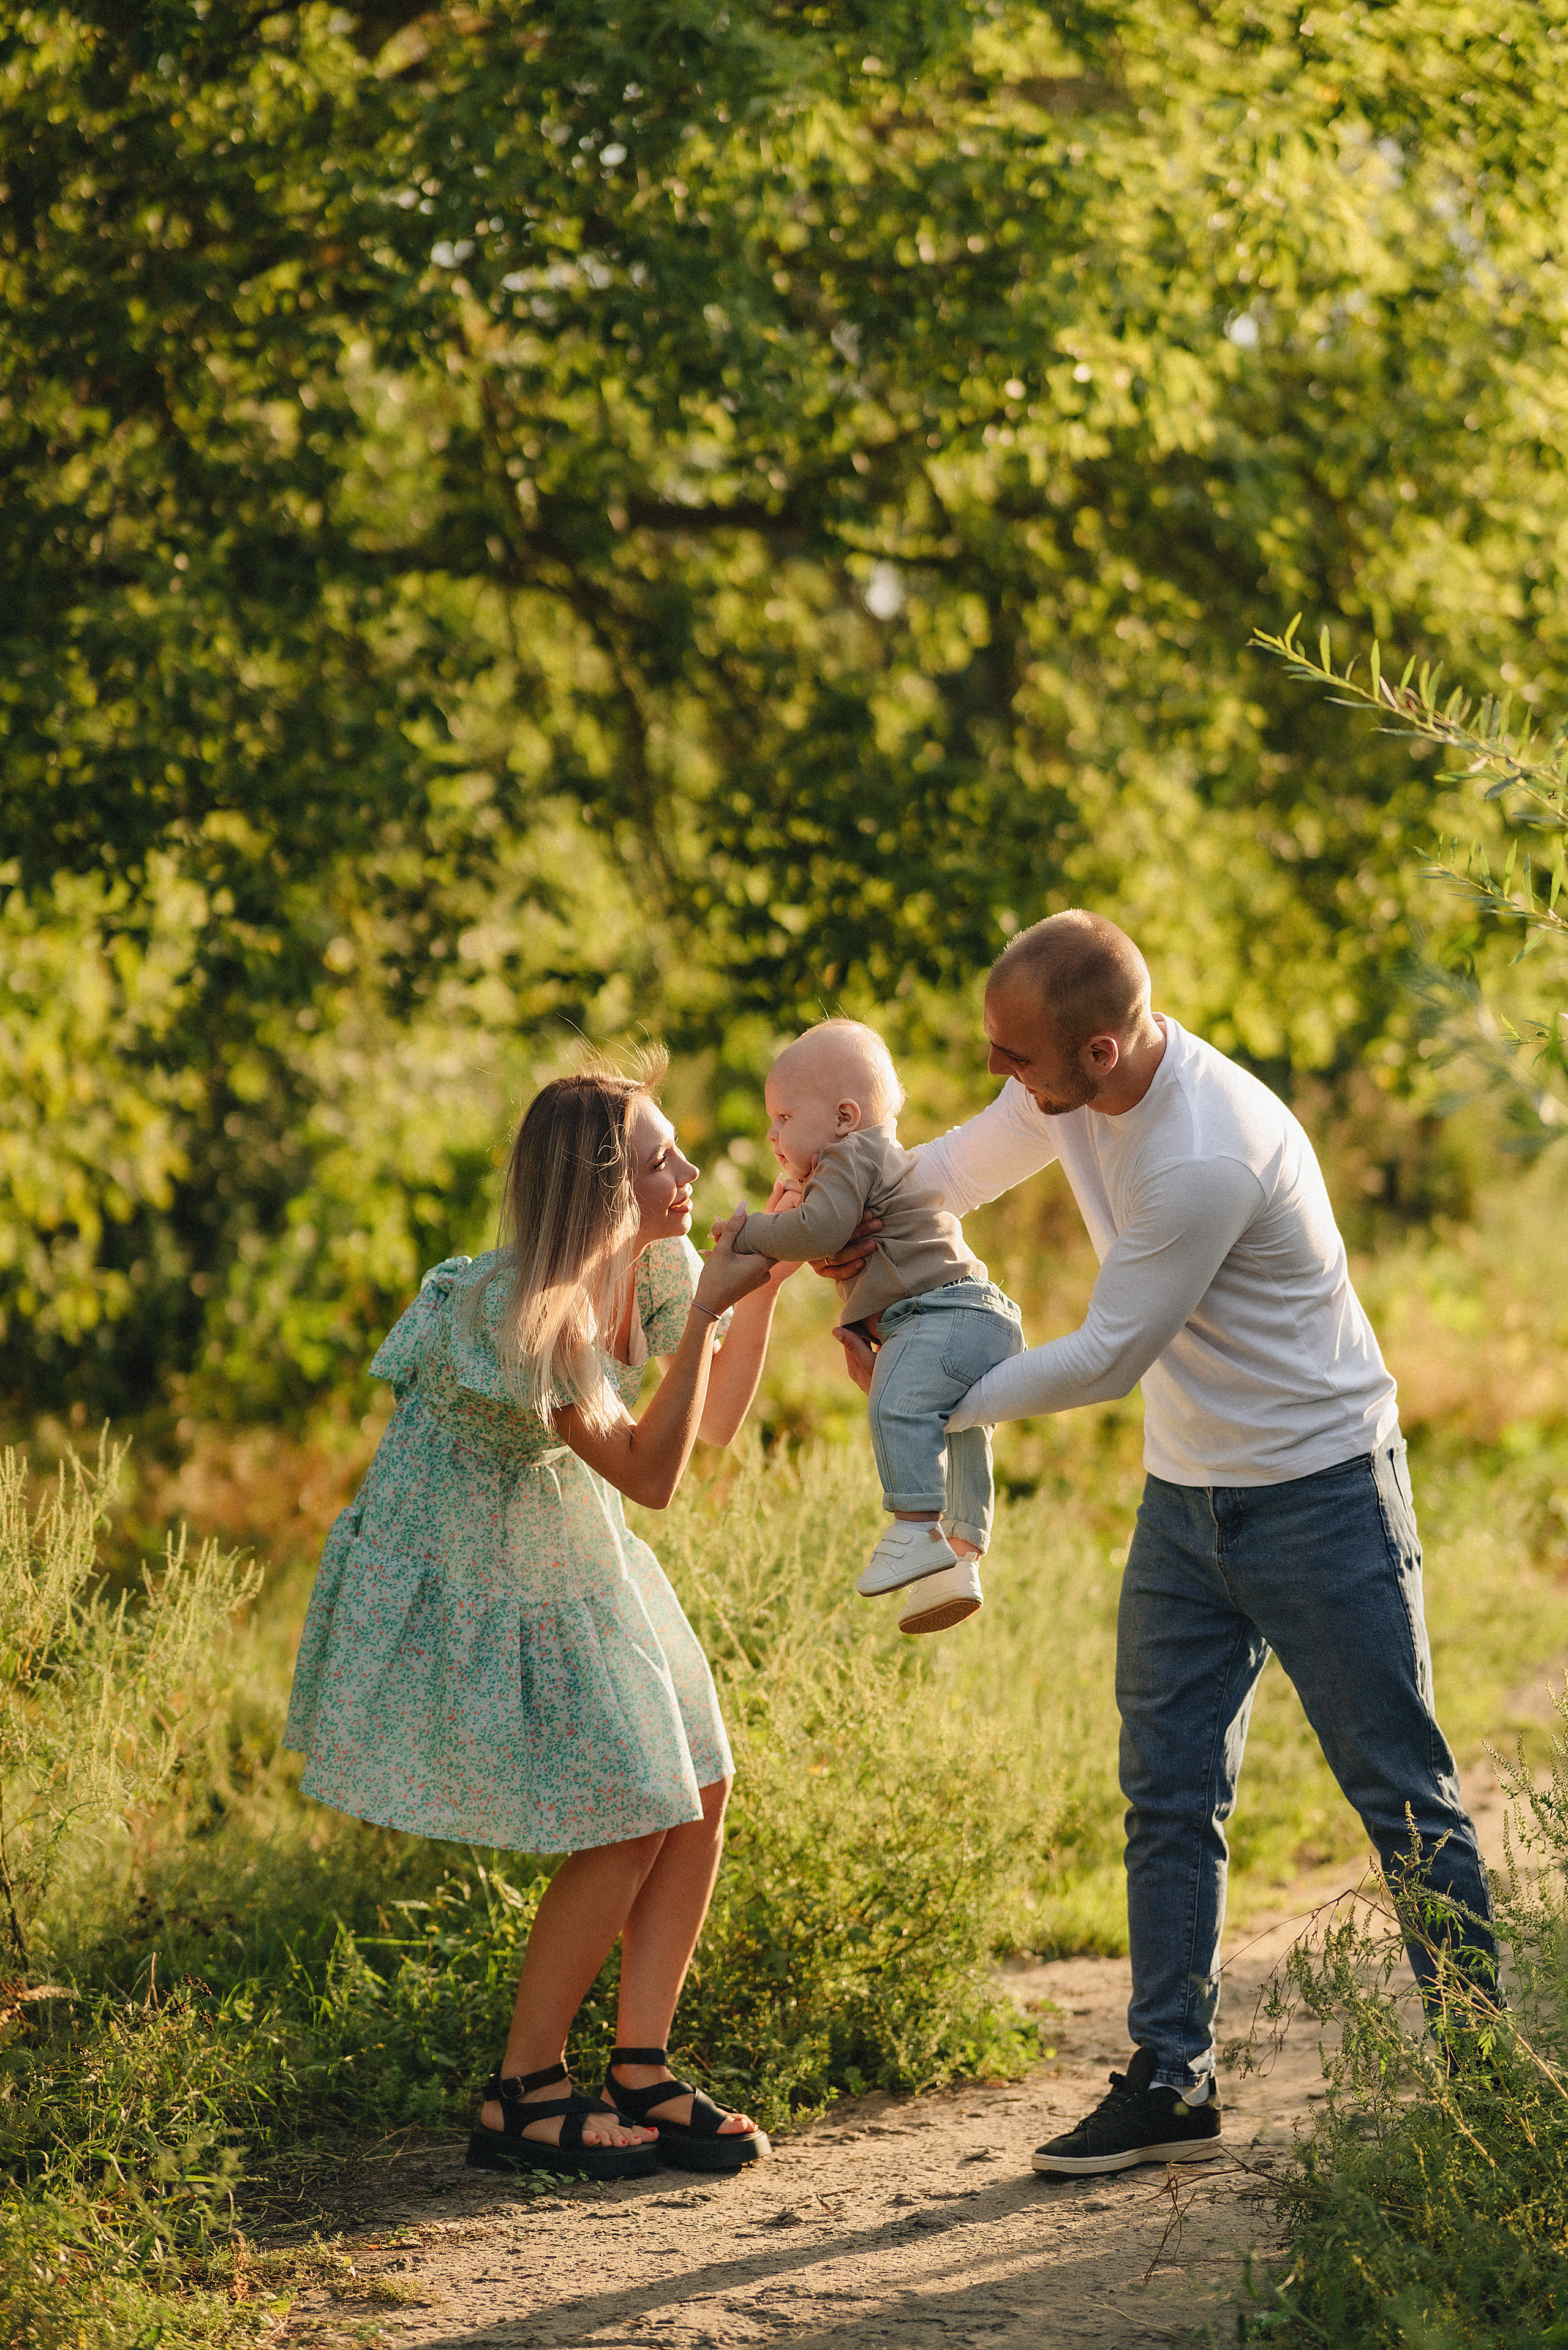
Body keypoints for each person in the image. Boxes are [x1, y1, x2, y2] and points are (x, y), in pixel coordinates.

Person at [827, 911, 1497, 2177]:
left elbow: (1101, 1356)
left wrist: (921, 1400)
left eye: (1013, 1057)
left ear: (1096, 1045)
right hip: (1183, 1498)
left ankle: (1486, 2081)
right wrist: (835, 1213)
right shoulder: (1062, 1090)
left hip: (1319, 1496)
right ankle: (1170, 2078)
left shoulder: (1203, 1148)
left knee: (1400, 1795)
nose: (996, 1075)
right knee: (1167, 1788)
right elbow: (944, 1176)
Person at [284, 1056, 797, 2180]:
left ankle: (642, 2065)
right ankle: (524, 2089)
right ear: (607, 1187)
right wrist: (711, 1308)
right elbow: (653, 1476)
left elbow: (711, 1428)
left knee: (700, 1780)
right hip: (478, 1562)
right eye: (663, 1159)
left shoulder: (643, 1268)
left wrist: (756, 1287)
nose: (689, 1171)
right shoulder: (526, 1311)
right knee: (631, 1804)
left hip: (561, 1541)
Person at [729, 1019, 1024, 1635]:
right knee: (959, 1424)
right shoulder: (866, 1159)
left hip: (942, 1315)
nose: (771, 1133)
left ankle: (915, 1528)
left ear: (843, 1116)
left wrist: (751, 1231)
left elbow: (818, 1232)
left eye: (784, 1118)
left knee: (893, 1405)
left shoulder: (848, 1153)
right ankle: (958, 1555)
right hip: (978, 1317)